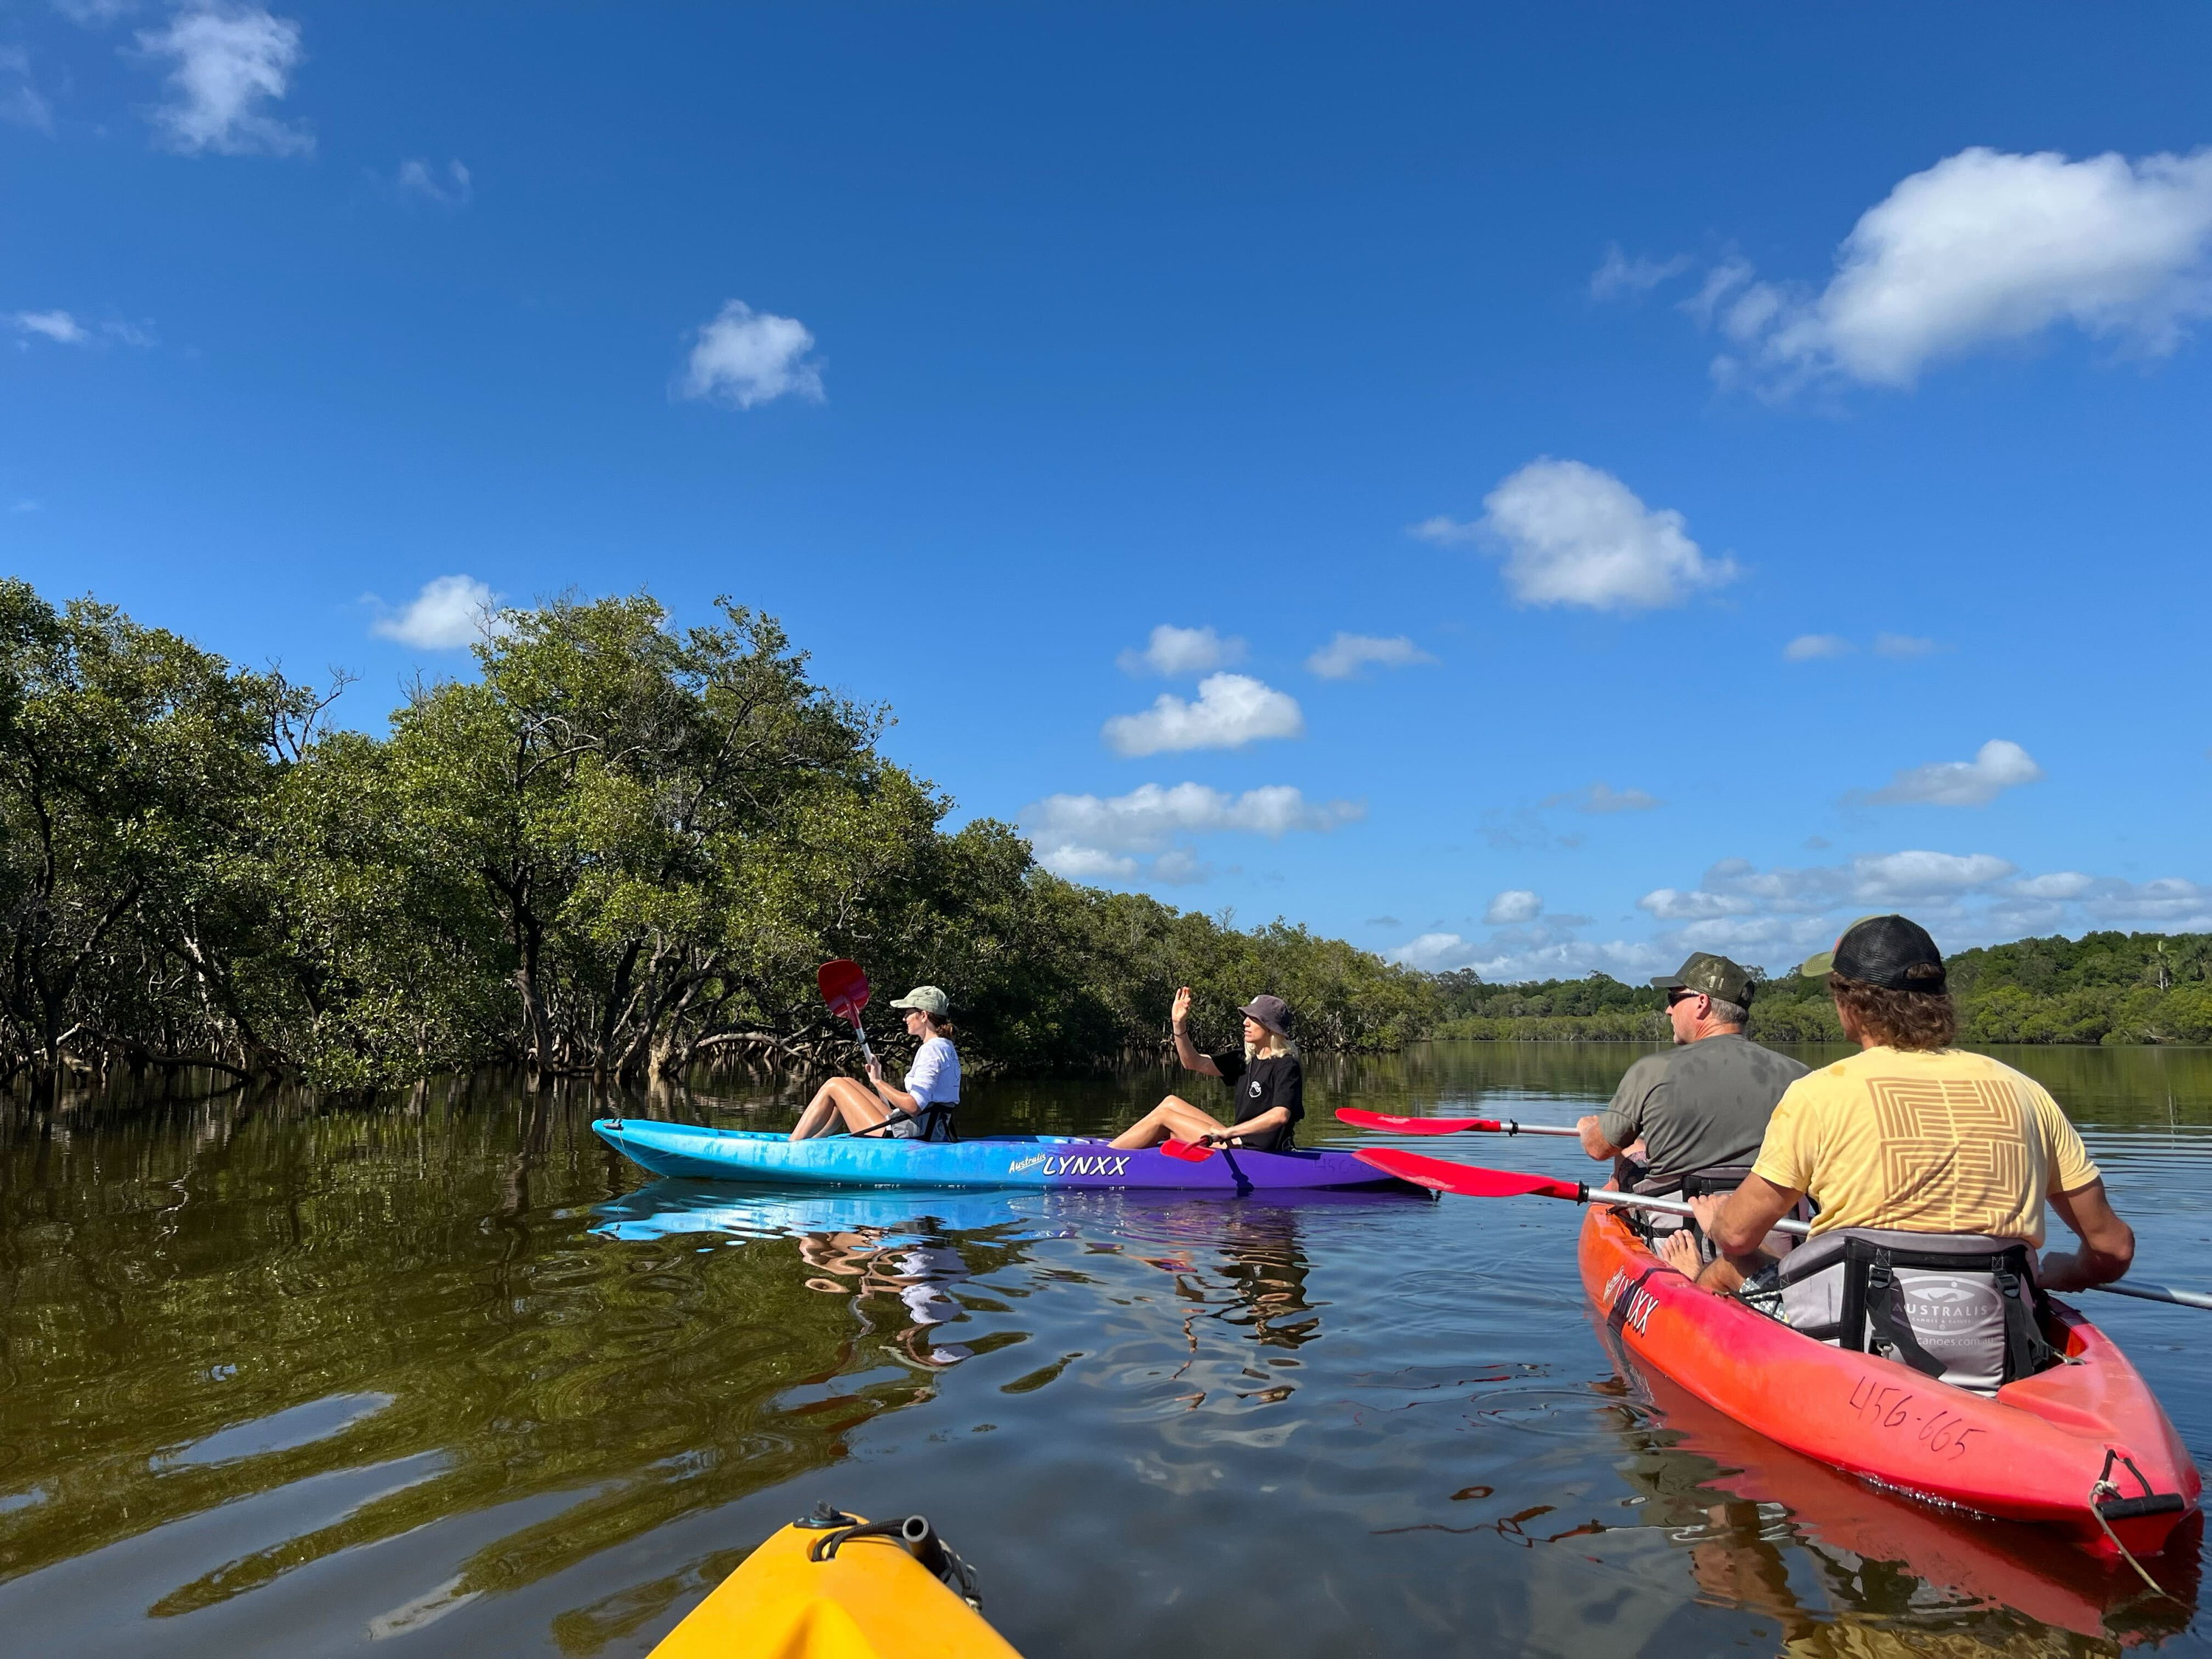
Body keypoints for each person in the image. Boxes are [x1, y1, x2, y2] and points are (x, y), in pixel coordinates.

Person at [1683, 915, 2136, 1391]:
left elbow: (1738, 1235)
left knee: (1728, 1265)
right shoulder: (2027, 1093)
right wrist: (2071, 1271)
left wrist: (1716, 1222)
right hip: (1996, 1344)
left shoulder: (1818, 1094)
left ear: (1848, 1003)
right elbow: (2113, 1247)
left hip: (1850, 1341)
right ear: (1938, 996)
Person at [1577, 953, 1809, 1237]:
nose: (1668, 1010)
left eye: (1674, 999)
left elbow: (1599, 1148)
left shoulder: (1653, 1070)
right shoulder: (1802, 1076)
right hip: (1776, 1229)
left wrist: (1588, 1129)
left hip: (1680, 1235)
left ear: (1702, 1002)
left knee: (1626, 1150)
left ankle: (1616, 1205)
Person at [1109, 989, 1303, 1152]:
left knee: (1164, 1118)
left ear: (1270, 1028)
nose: (1245, 1022)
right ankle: (1111, 1150)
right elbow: (1192, 1062)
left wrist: (1229, 1132)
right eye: (1246, 1017)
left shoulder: (1286, 1065)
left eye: (1254, 1018)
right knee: (1171, 1103)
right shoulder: (1244, 1059)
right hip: (1237, 1139)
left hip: (1254, 1149)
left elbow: (1280, 1115)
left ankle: (1105, 1158)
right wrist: (1178, 1024)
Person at [788, 986, 961, 1142]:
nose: (904, 1018)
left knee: (834, 1085)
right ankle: (816, 1141)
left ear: (923, 1016)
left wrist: (878, 1082)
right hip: (921, 1129)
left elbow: (914, 1106)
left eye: (908, 1013)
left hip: (909, 1134)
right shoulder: (946, 1047)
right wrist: (878, 1079)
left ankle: (792, 1146)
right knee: (847, 1083)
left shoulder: (931, 1050)